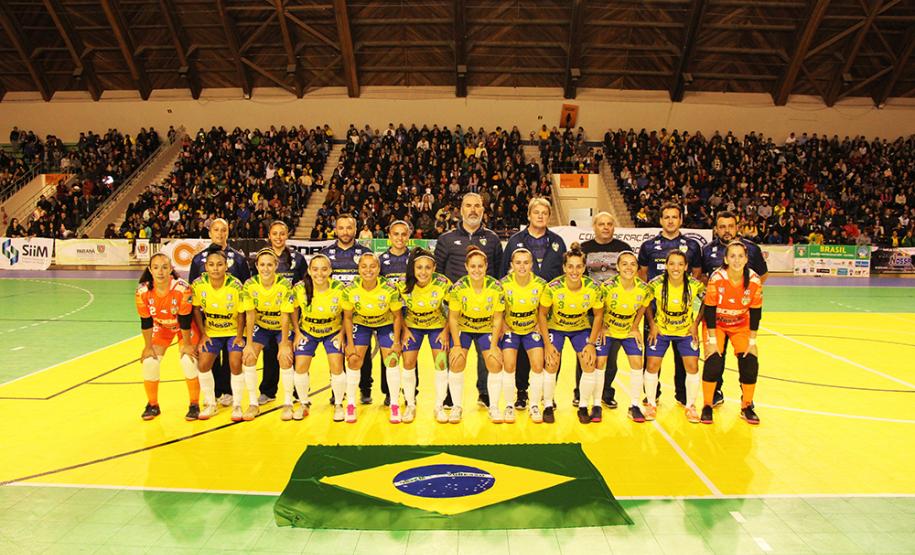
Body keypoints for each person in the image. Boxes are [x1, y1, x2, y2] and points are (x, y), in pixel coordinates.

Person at [435, 193, 503, 406]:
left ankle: (485, 392)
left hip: (485, 308)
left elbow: (498, 273)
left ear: (483, 210)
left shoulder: (492, 239)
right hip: (455, 310)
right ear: (461, 210)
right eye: (468, 206)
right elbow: (438, 274)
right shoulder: (446, 239)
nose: (473, 210)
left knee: (486, 353)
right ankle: (450, 395)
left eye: (477, 206)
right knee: (454, 351)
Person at [501, 198, 566, 411]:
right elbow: (503, 276)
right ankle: (521, 392)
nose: (540, 216)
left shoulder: (558, 242)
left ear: (549, 217)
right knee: (520, 353)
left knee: (550, 353)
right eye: (536, 212)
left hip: (550, 310)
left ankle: (548, 394)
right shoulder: (515, 241)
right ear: (528, 215)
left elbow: (564, 276)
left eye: (544, 213)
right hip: (520, 311)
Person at [700, 210, 768, 407]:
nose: (727, 230)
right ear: (716, 229)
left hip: (741, 318)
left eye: (731, 226)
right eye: (722, 227)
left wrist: (743, 295)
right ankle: (713, 394)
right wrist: (715, 292)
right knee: (715, 359)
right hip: (715, 315)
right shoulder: (707, 250)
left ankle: (747, 402)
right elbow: (701, 276)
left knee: (748, 359)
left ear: (737, 227)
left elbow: (762, 275)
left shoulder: (752, 249)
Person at [637, 202, 701, 406]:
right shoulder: (649, 246)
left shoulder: (692, 245)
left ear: (680, 220)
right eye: (667, 217)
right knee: (652, 357)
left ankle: (683, 396)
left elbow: (697, 274)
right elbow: (642, 275)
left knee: (683, 357)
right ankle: (652, 396)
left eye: (674, 217)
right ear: (660, 220)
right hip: (655, 311)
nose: (671, 221)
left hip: (682, 313)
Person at [538, 243, 604, 424]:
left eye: (578, 266)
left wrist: (591, 343)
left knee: (589, 362)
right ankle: (548, 405)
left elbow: (598, 315)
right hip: (556, 327)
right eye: (570, 266)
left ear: (584, 267)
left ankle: (583, 406)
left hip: (580, 328)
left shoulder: (593, 287)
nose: (574, 271)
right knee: (551, 362)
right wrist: (547, 344)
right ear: (564, 268)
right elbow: (542, 314)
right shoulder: (553, 287)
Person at [188, 218, 250, 409]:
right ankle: (213, 394)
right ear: (210, 233)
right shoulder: (198, 259)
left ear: (228, 232)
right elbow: (192, 291)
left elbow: (246, 286)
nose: (220, 233)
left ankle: (229, 392)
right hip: (209, 318)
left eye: (224, 230)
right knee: (209, 357)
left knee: (232, 357)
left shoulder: (238, 258)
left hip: (233, 317)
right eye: (216, 230)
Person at [134, 253, 200, 421]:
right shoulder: (142, 292)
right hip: (162, 327)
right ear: (150, 270)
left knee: (188, 361)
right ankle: (153, 405)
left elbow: (185, 319)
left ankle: (194, 404)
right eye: (156, 267)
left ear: (171, 269)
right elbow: (146, 321)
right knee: (149, 362)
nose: (160, 271)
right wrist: (148, 346)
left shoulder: (182, 289)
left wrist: (187, 345)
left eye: (164, 267)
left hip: (184, 328)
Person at [577, 211, 632, 409]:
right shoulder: (584, 248)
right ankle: (580, 392)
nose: (606, 227)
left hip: (614, 313)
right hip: (589, 312)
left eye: (609, 224)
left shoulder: (623, 248)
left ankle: (606, 392)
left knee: (611, 356)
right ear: (594, 226)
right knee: (585, 352)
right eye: (601, 224)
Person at [341, 252, 404, 423]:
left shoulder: (390, 288)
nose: (368, 270)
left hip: (385, 322)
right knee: (354, 359)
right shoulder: (350, 289)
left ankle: (394, 404)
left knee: (392, 359)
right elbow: (347, 317)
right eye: (364, 266)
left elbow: (397, 316)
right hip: (361, 322)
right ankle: (351, 404)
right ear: (358, 269)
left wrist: (396, 342)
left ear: (379, 268)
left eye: (372, 266)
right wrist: (350, 344)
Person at [446, 245, 505, 424]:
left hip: (486, 328)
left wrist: (493, 346)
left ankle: (493, 406)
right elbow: (453, 318)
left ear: (486, 266)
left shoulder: (496, 287)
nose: (477, 270)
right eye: (473, 266)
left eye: (480, 266)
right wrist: (457, 345)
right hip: (464, 328)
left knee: (495, 363)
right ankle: (457, 406)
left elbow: (497, 319)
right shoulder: (458, 288)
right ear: (466, 267)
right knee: (456, 361)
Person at [645, 250, 706, 423]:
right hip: (662, 331)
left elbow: (707, 301)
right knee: (652, 365)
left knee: (692, 366)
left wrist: (695, 324)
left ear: (686, 267)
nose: (676, 268)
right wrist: (652, 324)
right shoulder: (655, 283)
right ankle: (651, 404)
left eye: (680, 264)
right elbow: (645, 303)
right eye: (671, 264)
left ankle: (690, 406)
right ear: (666, 265)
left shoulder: (694, 284)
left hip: (685, 332)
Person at [319, 214, 373, 403]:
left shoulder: (365, 253)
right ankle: (337, 391)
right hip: (335, 312)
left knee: (363, 352)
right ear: (335, 230)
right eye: (341, 228)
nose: (345, 232)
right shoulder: (326, 254)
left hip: (359, 313)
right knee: (336, 351)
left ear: (355, 230)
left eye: (349, 228)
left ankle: (365, 389)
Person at [288, 254, 346, 422]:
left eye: (324, 269)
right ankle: (303, 403)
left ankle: (338, 404)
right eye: (315, 269)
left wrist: (341, 334)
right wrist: (297, 332)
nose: (319, 273)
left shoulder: (340, 288)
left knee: (336, 366)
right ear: (309, 270)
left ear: (330, 270)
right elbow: (293, 310)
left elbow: (348, 314)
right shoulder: (299, 288)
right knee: (300, 366)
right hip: (308, 331)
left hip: (333, 331)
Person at [596, 251, 652, 423]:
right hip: (609, 330)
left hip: (628, 331)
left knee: (637, 363)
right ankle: (596, 404)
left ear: (637, 267)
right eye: (625, 264)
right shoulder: (607, 287)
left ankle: (634, 405)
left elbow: (643, 307)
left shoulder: (644, 288)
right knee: (600, 362)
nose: (629, 267)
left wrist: (635, 327)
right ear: (618, 267)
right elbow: (599, 309)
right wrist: (602, 327)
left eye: (633, 264)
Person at [399, 247, 452, 424]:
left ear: (434, 268)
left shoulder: (443, 283)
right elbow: (396, 311)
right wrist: (404, 330)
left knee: (441, 363)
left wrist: (446, 331)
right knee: (408, 363)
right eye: (419, 267)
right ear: (413, 269)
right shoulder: (403, 283)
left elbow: (453, 310)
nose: (423, 272)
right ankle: (410, 404)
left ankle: (439, 406)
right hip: (412, 326)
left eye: (428, 267)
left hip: (437, 326)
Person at [240, 249, 295, 421]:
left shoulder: (284, 285)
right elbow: (250, 315)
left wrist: (284, 344)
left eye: (270, 265)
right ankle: (253, 404)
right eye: (262, 265)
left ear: (276, 266)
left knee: (285, 358)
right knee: (249, 357)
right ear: (256, 266)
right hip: (262, 326)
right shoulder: (249, 284)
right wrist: (249, 344)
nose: (266, 268)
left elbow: (285, 316)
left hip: (281, 326)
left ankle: (288, 403)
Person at [256, 221, 306, 405]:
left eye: (282, 233)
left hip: (292, 315)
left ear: (287, 235)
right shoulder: (263, 257)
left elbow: (305, 284)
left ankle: (298, 390)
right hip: (268, 316)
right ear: (269, 235)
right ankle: (268, 391)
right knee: (270, 354)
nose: (278, 237)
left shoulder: (297, 259)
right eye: (275, 233)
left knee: (294, 353)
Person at [499, 249, 548, 423]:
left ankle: (533, 405)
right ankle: (509, 406)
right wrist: (503, 324)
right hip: (511, 330)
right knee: (509, 365)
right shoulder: (503, 284)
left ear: (532, 264)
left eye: (526, 262)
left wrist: (540, 324)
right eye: (518, 262)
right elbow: (496, 311)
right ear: (512, 264)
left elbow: (545, 310)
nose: (522, 266)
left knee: (537, 365)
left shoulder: (541, 284)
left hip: (531, 330)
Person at [379, 219, 412, 405]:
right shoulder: (381, 260)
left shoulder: (414, 259)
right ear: (390, 236)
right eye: (396, 234)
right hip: (389, 316)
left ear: (408, 236)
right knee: (388, 353)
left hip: (411, 314)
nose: (400, 238)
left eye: (403, 234)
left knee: (409, 353)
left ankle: (410, 392)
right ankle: (389, 392)